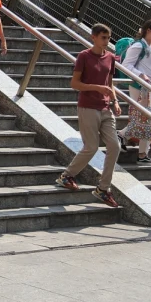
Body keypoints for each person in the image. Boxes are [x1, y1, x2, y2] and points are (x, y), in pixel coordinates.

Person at [56, 23, 123, 207]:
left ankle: (103, 189)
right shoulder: (84, 57)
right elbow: (74, 84)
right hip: (87, 107)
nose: (106, 41)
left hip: (105, 108)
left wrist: (115, 101)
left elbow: (109, 83)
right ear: (93, 37)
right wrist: (96, 88)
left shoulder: (110, 57)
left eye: (108, 38)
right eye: (103, 38)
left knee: (115, 146)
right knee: (91, 146)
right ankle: (66, 176)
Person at [118, 19, 151, 164]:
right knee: (145, 119)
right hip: (141, 88)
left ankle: (141, 153)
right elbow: (126, 65)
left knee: (150, 120)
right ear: (149, 30)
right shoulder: (139, 46)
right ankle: (123, 136)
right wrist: (141, 75)